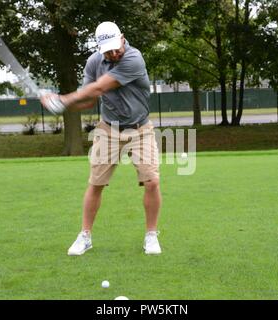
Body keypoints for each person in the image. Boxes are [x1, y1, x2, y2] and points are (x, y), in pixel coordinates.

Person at [40, 21, 162, 255]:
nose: (114, 53)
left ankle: (151, 235)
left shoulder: (134, 58)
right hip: (108, 130)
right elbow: (88, 100)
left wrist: (62, 98)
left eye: (117, 47)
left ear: (123, 38)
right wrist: (61, 105)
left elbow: (99, 88)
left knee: (152, 181)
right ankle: (85, 236)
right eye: (108, 50)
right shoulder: (95, 62)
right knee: (95, 184)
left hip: (140, 129)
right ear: (99, 48)